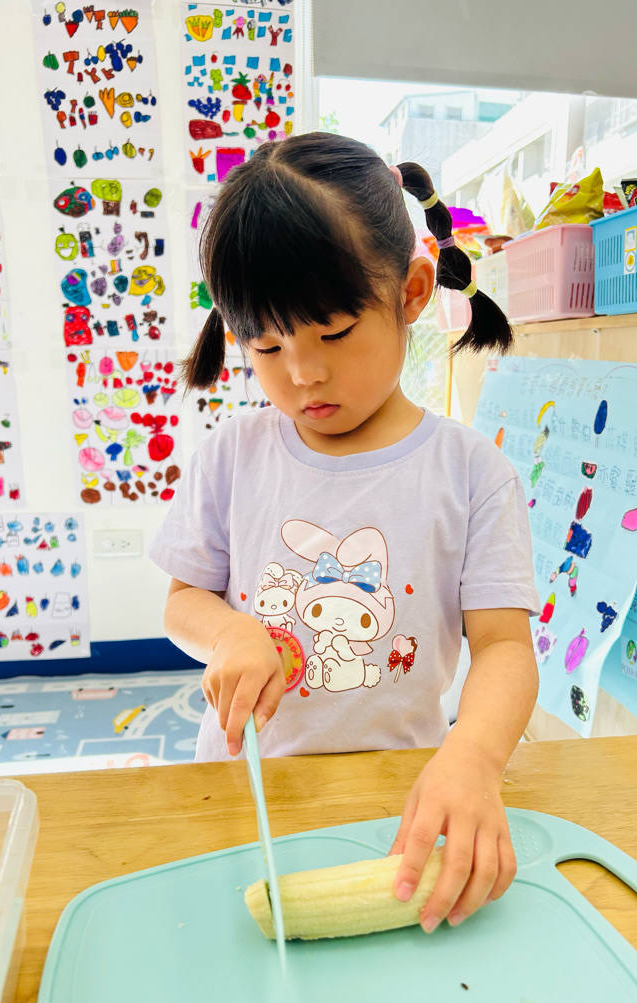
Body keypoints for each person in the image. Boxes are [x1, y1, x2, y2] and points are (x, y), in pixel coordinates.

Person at [148, 132, 540, 936]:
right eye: (266, 345)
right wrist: (230, 633)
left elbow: (503, 646)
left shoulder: (472, 473)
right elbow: (184, 599)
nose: (302, 373)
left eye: (331, 333)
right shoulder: (233, 455)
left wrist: (474, 755)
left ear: (412, 292)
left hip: (400, 795)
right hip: (243, 792)